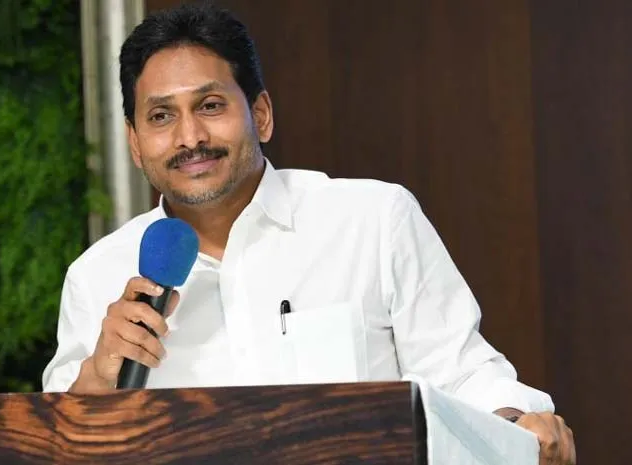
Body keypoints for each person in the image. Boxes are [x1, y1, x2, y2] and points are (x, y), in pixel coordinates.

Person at [42, 3, 575, 464]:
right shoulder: (96, 277)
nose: (190, 137)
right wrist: (97, 382)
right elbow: (52, 443)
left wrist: (516, 424)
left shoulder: (371, 220)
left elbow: (460, 373)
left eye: (210, 106)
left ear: (261, 115)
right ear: (135, 144)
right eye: (161, 116)